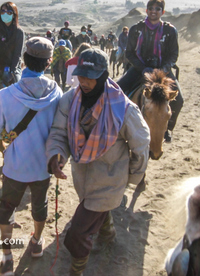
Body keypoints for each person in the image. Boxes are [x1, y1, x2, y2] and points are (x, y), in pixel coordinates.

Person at [46, 48, 150, 276]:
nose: (83, 81)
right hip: (82, 178)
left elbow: (141, 144)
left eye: (89, 77)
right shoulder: (70, 100)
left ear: (102, 76)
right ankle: (109, 234)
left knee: (78, 233)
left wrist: (131, 177)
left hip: (110, 181)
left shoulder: (123, 109)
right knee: (94, 210)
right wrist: (57, 154)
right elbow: (58, 132)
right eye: (80, 75)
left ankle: (76, 271)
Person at [0, 37, 63, 276]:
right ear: (49, 62)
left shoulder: (6, 94)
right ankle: (37, 243)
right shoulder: (57, 93)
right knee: (39, 205)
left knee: (7, 208)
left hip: (14, 166)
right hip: (43, 166)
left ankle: (7, 257)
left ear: (24, 60)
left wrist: (9, 135)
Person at [118, 0, 184, 142]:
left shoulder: (170, 31)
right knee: (116, 91)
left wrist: (163, 69)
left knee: (179, 100)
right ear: (146, 10)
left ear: (163, 11)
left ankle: (167, 129)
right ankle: (117, 125)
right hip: (138, 68)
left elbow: (174, 54)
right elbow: (129, 53)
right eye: (151, 8)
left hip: (163, 71)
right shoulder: (136, 29)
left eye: (157, 9)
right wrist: (142, 68)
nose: (154, 11)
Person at [0, 2, 25, 86]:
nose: (5, 14)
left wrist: (12, 70)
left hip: (12, 66)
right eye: (3, 11)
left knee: (18, 86)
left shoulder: (19, 32)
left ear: (14, 14)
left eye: (9, 12)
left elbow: (17, 54)